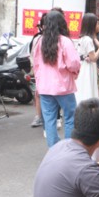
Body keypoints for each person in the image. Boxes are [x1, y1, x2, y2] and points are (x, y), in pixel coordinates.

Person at [32, 11, 81, 148]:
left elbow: (35, 65)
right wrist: (75, 72)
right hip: (63, 87)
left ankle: (53, 149)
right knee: (70, 118)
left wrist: (38, 85)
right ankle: (69, 148)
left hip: (45, 88)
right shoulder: (65, 41)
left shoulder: (40, 41)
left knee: (49, 120)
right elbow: (73, 63)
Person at [75, 13, 99, 103]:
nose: (97, 25)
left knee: (82, 89)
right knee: (88, 89)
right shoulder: (88, 40)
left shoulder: (82, 38)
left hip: (82, 66)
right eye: (96, 23)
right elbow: (94, 58)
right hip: (88, 67)